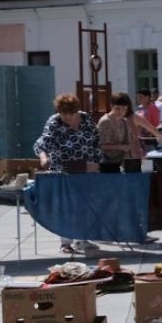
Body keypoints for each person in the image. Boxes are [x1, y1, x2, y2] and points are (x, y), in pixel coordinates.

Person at [35, 94, 106, 254]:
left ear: (77, 111)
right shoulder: (54, 122)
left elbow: (96, 142)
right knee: (66, 206)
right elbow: (42, 144)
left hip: (88, 169)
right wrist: (44, 158)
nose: (67, 117)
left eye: (71, 114)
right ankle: (66, 243)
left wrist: (98, 164)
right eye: (63, 114)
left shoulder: (86, 119)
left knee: (85, 206)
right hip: (64, 169)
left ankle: (82, 240)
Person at [97, 92, 160, 167]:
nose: (121, 112)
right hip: (108, 164)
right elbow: (99, 145)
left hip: (123, 163)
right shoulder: (105, 121)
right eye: (118, 109)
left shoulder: (124, 121)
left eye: (124, 109)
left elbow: (129, 142)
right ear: (111, 106)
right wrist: (119, 147)